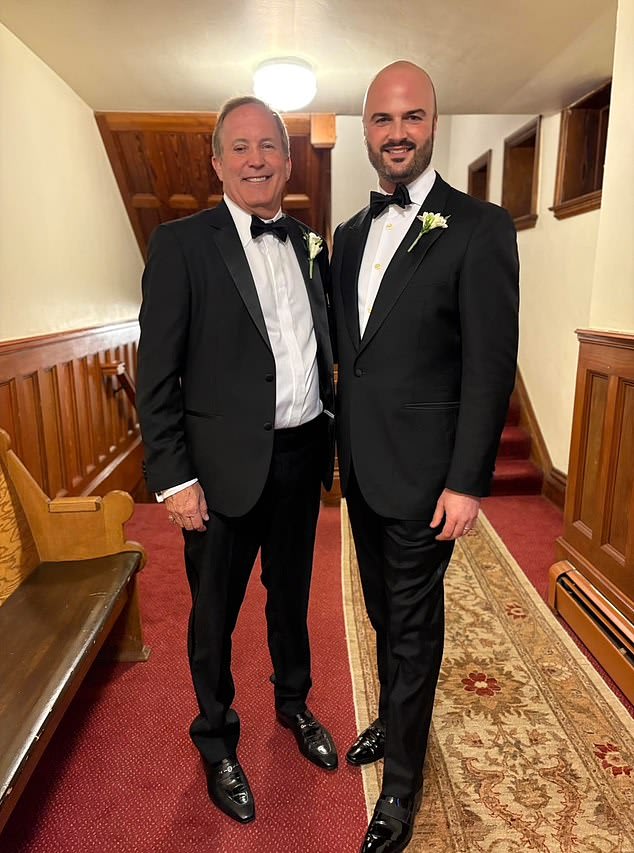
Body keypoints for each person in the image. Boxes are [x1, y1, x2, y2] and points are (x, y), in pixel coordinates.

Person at [331, 61, 519, 853]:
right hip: (362, 474)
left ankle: (402, 787)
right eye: (382, 119)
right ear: (365, 129)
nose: (397, 133)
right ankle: (392, 716)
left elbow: (490, 362)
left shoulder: (479, 227)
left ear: (432, 123)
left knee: (412, 628)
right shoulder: (345, 237)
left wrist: (468, 479)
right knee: (384, 614)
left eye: (412, 118)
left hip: (427, 477)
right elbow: (353, 357)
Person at [136, 96, 338, 826]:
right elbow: (156, 373)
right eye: (241, 147)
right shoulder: (181, 243)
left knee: (291, 601)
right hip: (217, 474)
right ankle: (217, 739)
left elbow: (323, 346)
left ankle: (294, 705)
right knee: (213, 615)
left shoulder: (309, 241)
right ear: (218, 162)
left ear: (287, 160)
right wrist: (173, 477)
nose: (257, 159)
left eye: (269, 147)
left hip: (300, 453)